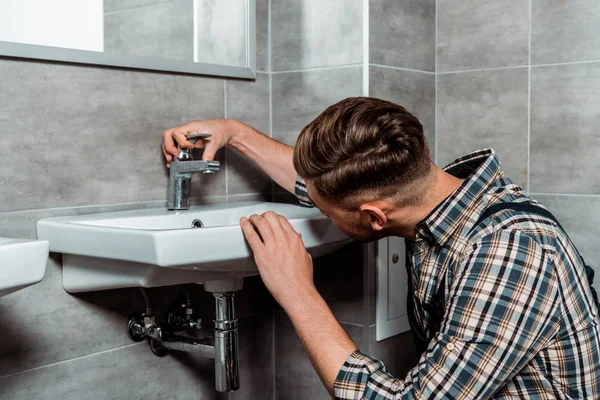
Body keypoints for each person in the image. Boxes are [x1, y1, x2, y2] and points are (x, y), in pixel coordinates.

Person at [162, 97, 600, 399]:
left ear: (374, 217)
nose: (316, 210)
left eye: (326, 211)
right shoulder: (432, 194)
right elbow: (324, 185)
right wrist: (235, 133)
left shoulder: (510, 253)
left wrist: (297, 291)